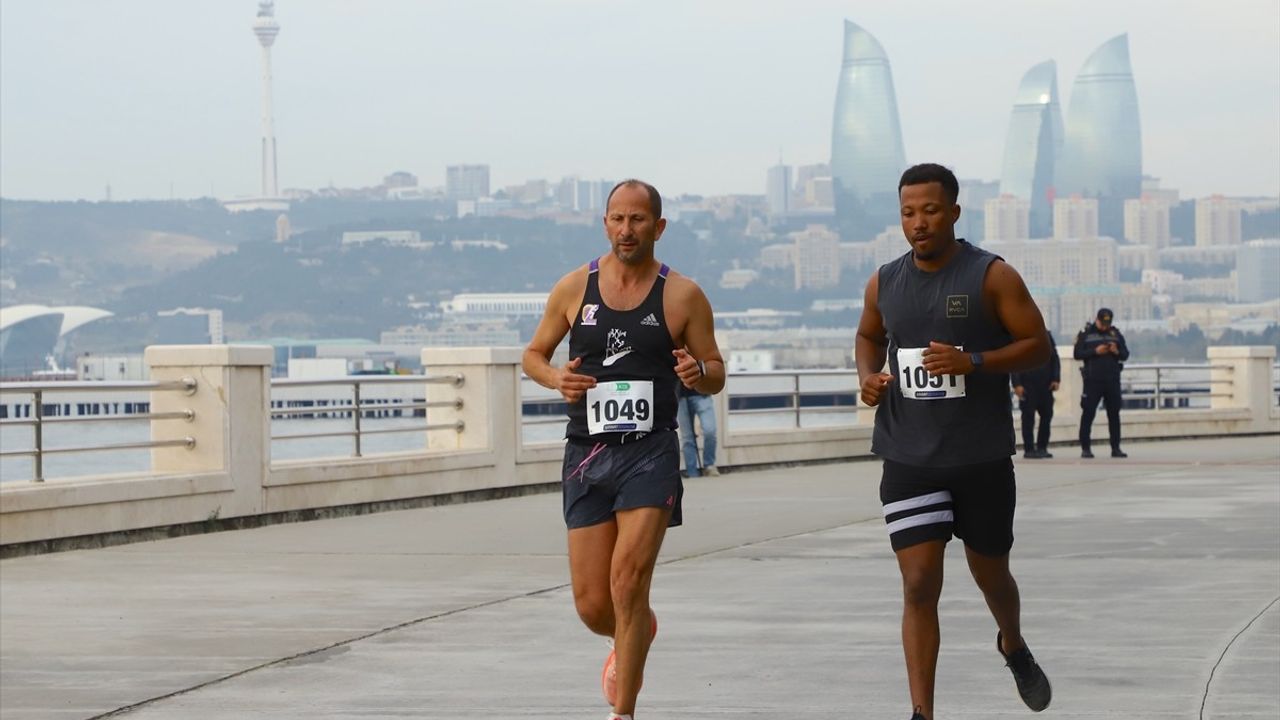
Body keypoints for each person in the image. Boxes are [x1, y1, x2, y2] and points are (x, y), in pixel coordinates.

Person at [856, 163, 1054, 720]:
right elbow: (868, 335)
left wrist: (974, 362)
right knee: (919, 582)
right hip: (908, 454)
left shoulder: (991, 275)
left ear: (955, 212)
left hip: (980, 455)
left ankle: (1011, 642)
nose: (918, 222)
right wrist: (867, 376)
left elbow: (1037, 345)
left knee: (991, 573)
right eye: (908, 213)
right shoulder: (885, 280)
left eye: (931, 210)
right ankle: (923, 712)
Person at [522, 179, 725, 720]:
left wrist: (696, 372)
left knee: (628, 581)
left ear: (658, 227)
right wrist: (554, 379)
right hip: (586, 454)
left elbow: (716, 373)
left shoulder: (682, 295)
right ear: (605, 223)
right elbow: (534, 354)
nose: (626, 230)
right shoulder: (573, 288)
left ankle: (624, 712)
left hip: (650, 453)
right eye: (617, 219)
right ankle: (635, 633)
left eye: (637, 220)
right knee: (594, 604)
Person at [1073, 308, 1129, 458]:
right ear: (1096, 320)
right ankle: (1086, 448)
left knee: (1114, 415)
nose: (1105, 326)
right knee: (1088, 413)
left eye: (1108, 323)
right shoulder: (1086, 333)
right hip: (1093, 381)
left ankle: (1115, 448)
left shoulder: (1115, 334)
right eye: (1103, 323)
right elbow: (1077, 354)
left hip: (1112, 380)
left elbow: (1125, 354)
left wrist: (1116, 351)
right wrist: (1095, 351)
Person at [1011, 331, 1061, 458]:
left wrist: (1056, 379)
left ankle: (1042, 447)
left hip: (1046, 385)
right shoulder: (1019, 336)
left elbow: (1054, 358)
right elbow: (1014, 361)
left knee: (1047, 416)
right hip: (1027, 385)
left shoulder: (1046, 335)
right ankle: (1029, 449)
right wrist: (1017, 384)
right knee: (1028, 418)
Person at [676, 383, 719, 476]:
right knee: (687, 437)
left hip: (702, 393)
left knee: (710, 431)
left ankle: (709, 465)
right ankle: (692, 471)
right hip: (681, 395)